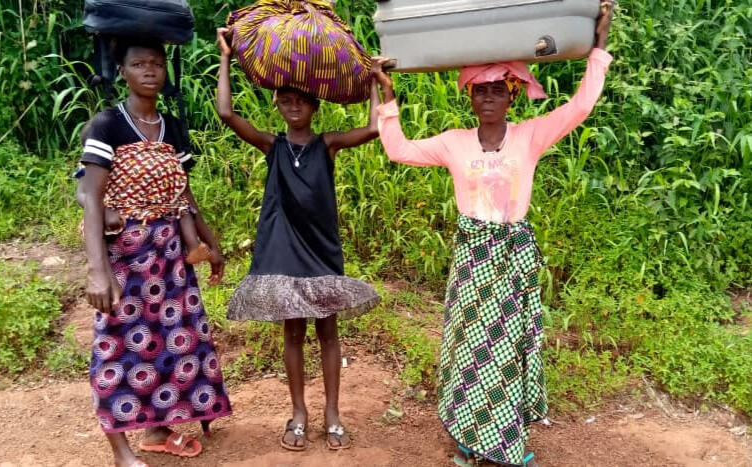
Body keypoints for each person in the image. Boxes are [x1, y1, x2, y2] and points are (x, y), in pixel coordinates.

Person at [372, 2, 615, 465]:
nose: (487, 97)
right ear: (471, 98)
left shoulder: (530, 136)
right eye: (479, 90)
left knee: (508, 344)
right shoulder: (453, 143)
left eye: (496, 90)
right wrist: (385, 94)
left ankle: (505, 442)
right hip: (473, 257)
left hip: (514, 254)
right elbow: (398, 149)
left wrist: (598, 43)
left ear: (512, 96)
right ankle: (469, 438)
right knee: (470, 345)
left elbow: (582, 104)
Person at [215, 27, 381, 451]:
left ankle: (332, 415)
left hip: (321, 249)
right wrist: (226, 58)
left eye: (301, 101)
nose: (293, 107)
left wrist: (380, 82)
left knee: (328, 332)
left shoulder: (327, 145)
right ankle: (299, 413)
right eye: (286, 100)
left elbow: (375, 128)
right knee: (293, 334)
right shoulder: (272, 146)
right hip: (284, 248)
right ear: (278, 104)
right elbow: (227, 115)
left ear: (314, 106)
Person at [78, 37, 231, 467]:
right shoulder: (106, 125)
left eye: (157, 64)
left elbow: (184, 194)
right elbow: (91, 196)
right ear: (122, 73)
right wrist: (97, 270)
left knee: (171, 341)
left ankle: (157, 429)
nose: (150, 71)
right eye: (139, 64)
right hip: (125, 255)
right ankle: (120, 451)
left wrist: (210, 242)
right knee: (117, 348)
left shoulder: (173, 127)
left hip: (169, 256)